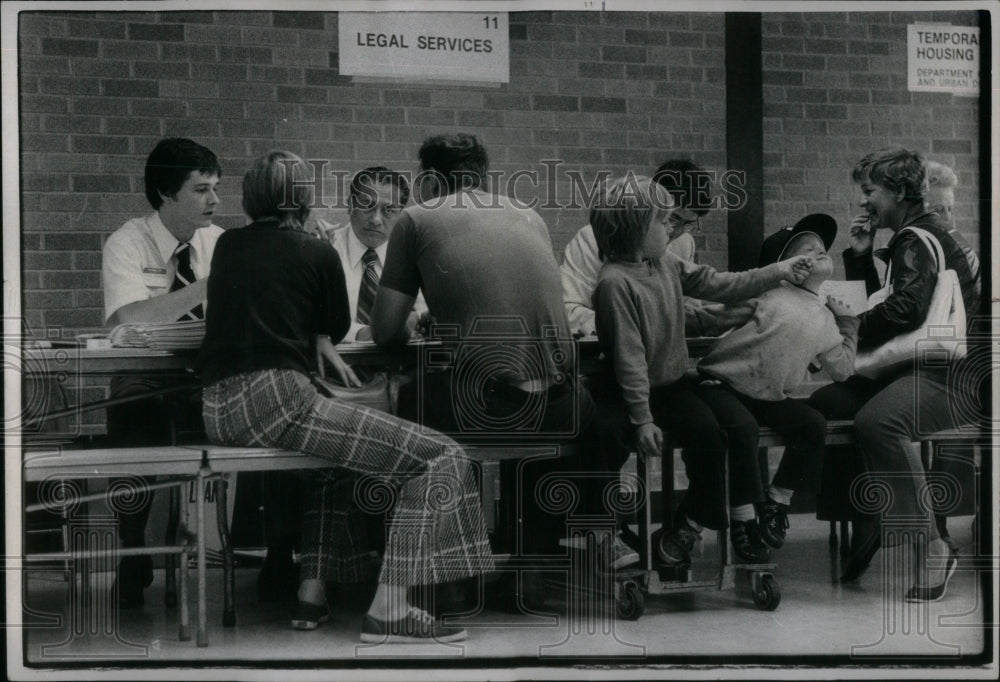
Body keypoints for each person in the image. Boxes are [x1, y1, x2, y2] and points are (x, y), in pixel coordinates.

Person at [197, 150, 494, 643]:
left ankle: (310, 595)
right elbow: (334, 325)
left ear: (250, 198)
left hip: (218, 408)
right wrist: (316, 334)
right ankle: (391, 608)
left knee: (334, 462)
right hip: (279, 400)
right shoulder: (318, 251)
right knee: (442, 455)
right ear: (307, 199)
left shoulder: (227, 244)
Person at [371, 133, 633, 568]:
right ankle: (546, 553)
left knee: (410, 400)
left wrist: (415, 322)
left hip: (487, 410)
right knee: (538, 400)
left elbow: (383, 332)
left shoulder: (416, 218)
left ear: (431, 181)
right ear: (482, 176)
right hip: (563, 408)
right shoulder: (529, 215)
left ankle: (445, 562)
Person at [590, 174, 813, 566]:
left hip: (671, 387)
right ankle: (604, 531)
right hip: (625, 391)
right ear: (635, 230)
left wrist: (779, 271)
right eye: (663, 222)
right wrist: (642, 420)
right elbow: (630, 359)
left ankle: (686, 524)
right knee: (604, 441)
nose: (670, 229)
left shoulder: (664, 262)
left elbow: (720, 284)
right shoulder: (614, 283)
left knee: (712, 438)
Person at [808, 147, 981, 601]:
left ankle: (931, 547)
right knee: (834, 401)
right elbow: (890, 302)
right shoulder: (928, 232)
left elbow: (903, 309)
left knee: (878, 421)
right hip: (947, 369)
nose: (865, 202)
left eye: (871, 192)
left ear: (901, 191)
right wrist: (862, 256)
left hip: (952, 379)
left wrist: (837, 331)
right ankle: (875, 515)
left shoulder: (915, 238)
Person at [687, 214, 859, 550]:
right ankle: (742, 517)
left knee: (812, 423)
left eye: (821, 248)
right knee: (743, 430)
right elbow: (709, 320)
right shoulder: (767, 295)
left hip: (769, 397)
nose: (819, 251)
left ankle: (777, 502)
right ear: (786, 267)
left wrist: (849, 325)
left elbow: (842, 370)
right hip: (722, 386)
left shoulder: (827, 319)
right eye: (806, 250)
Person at [101, 137, 222, 608]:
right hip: (146, 373)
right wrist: (212, 284)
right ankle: (132, 549)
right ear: (167, 194)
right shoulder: (127, 241)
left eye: (215, 188)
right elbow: (129, 317)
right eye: (201, 190)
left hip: (205, 372)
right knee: (131, 407)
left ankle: (275, 554)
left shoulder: (221, 241)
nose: (214, 200)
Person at [561, 158, 710, 337]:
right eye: (673, 218)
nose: (675, 231)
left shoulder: (685, 243)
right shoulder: (591, 240)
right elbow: (567, 309)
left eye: (689, 223)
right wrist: (628, 327)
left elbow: (688, 306)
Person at [314, 166, 428, 341]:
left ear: (401, 215)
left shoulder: (412, 254)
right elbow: (316, 318)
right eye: (367, 205)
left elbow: (422, 313)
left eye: (388, 210)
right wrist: (362, 334)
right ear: (350, 205)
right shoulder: (326, 249)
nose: (376, 220)